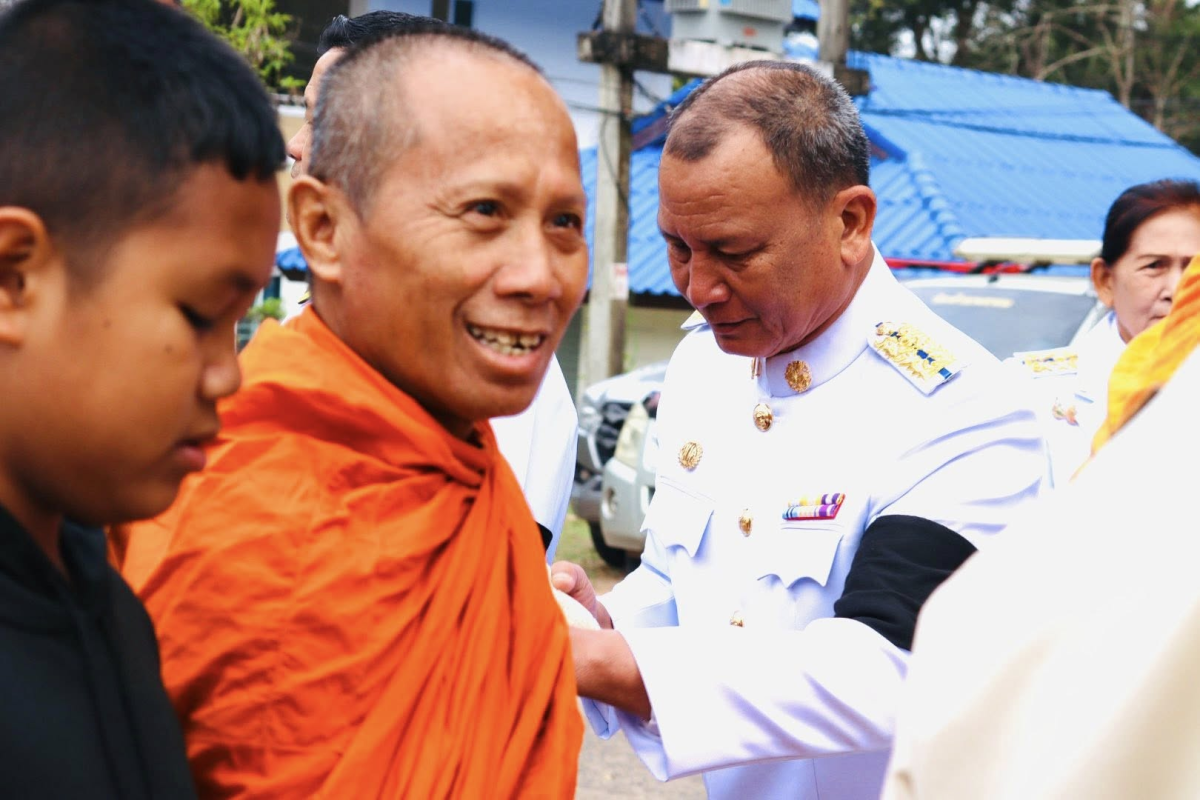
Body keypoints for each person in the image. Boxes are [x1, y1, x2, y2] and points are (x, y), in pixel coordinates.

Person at [551, 61, 1045, 799]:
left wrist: (610, 669)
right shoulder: (703, 366)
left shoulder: (962, 407)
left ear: (849, 222)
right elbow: (677, 581)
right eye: (679, 247)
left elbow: (888, 665)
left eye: (734, 252)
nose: (699, 286)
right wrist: (604, 621)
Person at [117, 27, 586, 798]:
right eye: (483, 211)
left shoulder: (468, 470)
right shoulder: (219, 493)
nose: (541, 276)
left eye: (565, 222)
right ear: (323, 228)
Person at [0, 0, 283, 796]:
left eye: (240, 323)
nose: (228, 375)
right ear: (14, 277)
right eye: (199, 315)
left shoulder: (108, 602)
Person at [881, 282, 1200, 800]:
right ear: (1105, 278)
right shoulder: (1029, 384)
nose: (1169, 286)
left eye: (1187, 265)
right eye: (1153, 265)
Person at [289, 11, 580, 557]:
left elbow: (489, 578)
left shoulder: (503, 362)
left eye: (320, 123)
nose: (296, 146)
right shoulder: (292, 333)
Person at [1011, 179, 1200, 486]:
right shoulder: (1025, 392)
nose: (1177, 290)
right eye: (1154, 266)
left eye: (1194, 270)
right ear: (1105, 281)